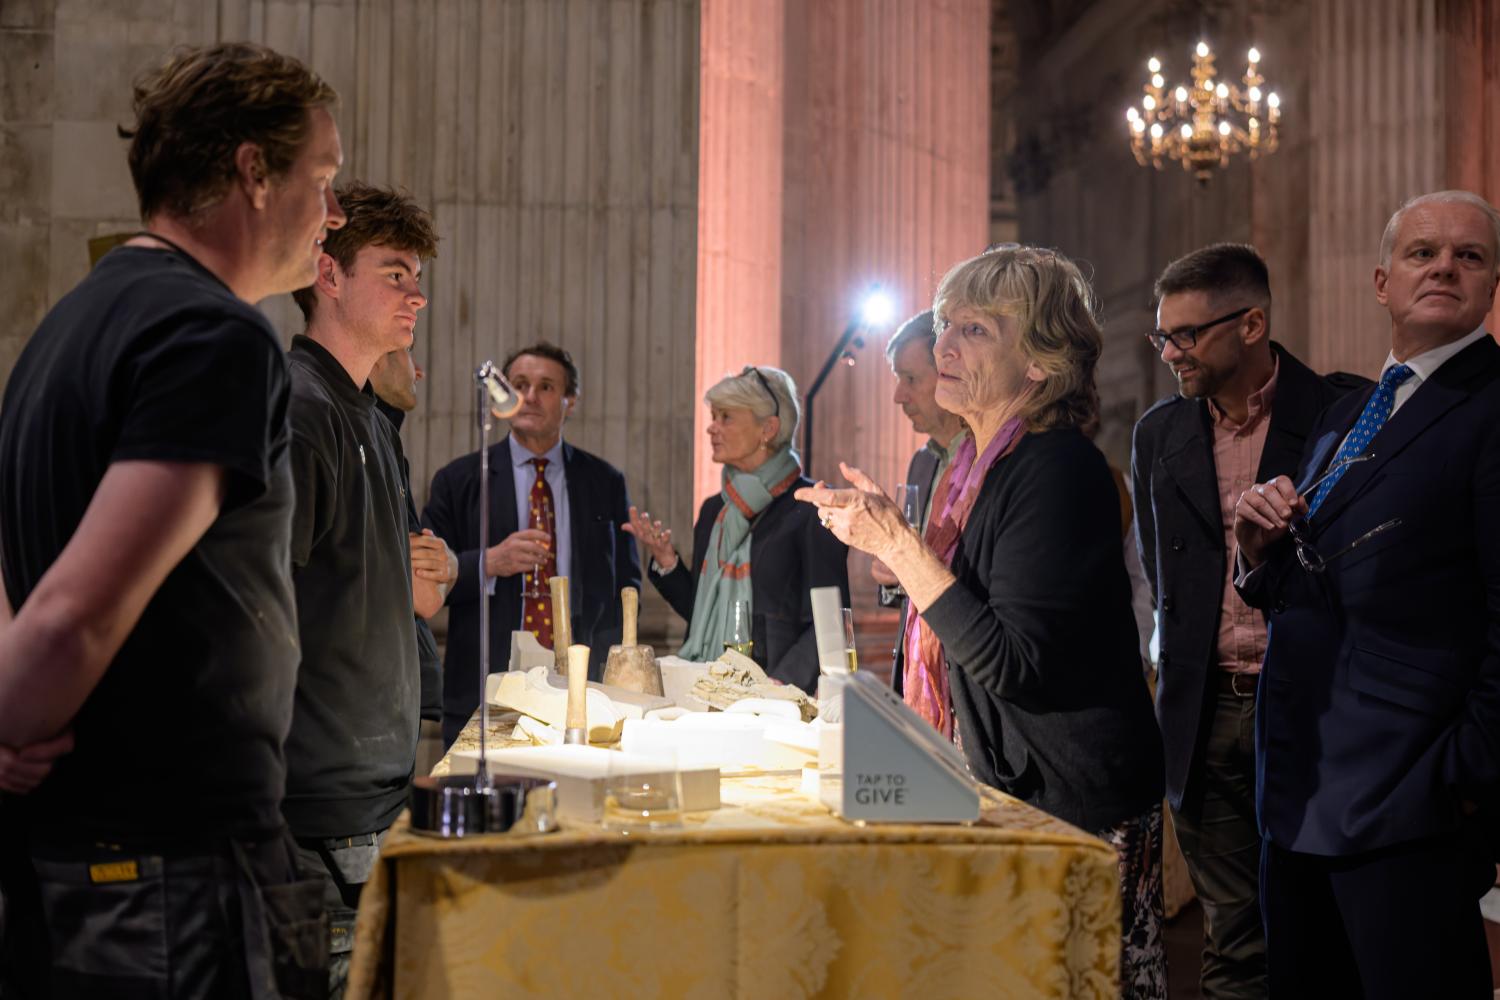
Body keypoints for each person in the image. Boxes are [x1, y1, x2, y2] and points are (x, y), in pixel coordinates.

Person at [0, 41, 343, 998]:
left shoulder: (72, 322)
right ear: (253, 172)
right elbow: (74, 610)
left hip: (84, 855)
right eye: (322, 177)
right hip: (168, 868)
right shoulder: (213, 336)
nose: (332, 210)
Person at [797, 246, 1167, 998]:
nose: (944, 347)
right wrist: (897, 539)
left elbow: (1012, 663)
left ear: (1039, 364)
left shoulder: (1058, 470)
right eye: (945, 328)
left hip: (1071, 803)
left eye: (976, 331)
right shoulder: (973, 466)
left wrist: (898, 546)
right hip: (1005, 782)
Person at [1233, 190, 1500, 998]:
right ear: (1383, 281)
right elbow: (1301, 582)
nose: (1445, 266)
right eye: (1423, 252)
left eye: (1470, 255)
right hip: (1301, 790)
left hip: (1410, 806)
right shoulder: (1346, 413)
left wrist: (1462, 781)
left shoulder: (1491, 410)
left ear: (1493, 284)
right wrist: (1254, 549)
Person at [1131, 242, 1366, 999]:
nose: (1170, 353)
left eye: (1187, 335)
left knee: (1322, 922)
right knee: (1232, 936)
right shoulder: (1158, 434)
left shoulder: (1348, 412)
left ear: (1253, 323)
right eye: (1163, 336)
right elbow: (1163, 577)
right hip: (1199, 716)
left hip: (1308, 708)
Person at [284, 180, 438, 998]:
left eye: (417, 276)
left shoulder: (370, 415)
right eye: (393, 273)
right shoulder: (301, 409)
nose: (415, 294)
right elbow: (259, 608)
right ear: (329, 275)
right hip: (318, 797)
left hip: (372, 784)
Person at [423, 343, 641, 746]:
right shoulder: (461, 480)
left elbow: (625, 582)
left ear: (569, 401)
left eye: (546, 387)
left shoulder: (604, 481)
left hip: (581, 689)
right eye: (519, 385)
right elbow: (424, 578)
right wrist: (488, 562)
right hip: (486, 686)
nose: (530, 397)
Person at [628, 367, 850, 693]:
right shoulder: (714, 510)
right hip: (706, 684)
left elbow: (830, 619)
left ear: (768, 429)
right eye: (713, 416)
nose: (711, 428)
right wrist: (668, 562)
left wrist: (781, 684)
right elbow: (701, 610)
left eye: (726, 417)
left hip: (772, 694)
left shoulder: (812, 506)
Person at [369, 346, 458, 776]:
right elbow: (425, 593)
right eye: (404, 352)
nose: (418, 371)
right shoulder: (361, 439)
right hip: (362, 706)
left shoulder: (384, 439)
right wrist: (449, 568)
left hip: (383, 700)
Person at [874, 310, 968, 693]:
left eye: (910, 379)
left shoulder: (988, 460)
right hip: (918, 670)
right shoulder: (922, 461)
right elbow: (906, 582)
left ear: (947, 373)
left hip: (966, 667)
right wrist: (890, 563)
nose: (898, 396)